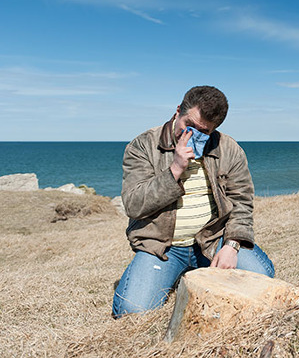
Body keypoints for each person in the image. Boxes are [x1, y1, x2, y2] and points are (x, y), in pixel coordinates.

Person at [112, 86, 274, 317]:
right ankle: (176, 272)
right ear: (178, 110)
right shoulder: (142, 146)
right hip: (163, 247)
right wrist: (175, 169)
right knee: (132, 310)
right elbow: (134, 204)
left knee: (262, 279)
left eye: (203, 131)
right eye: (188, 125)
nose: (192, 134)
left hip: (212, 240)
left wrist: (232, 245)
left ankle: (194, 270)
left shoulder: (229, 148)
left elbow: (241, 201)